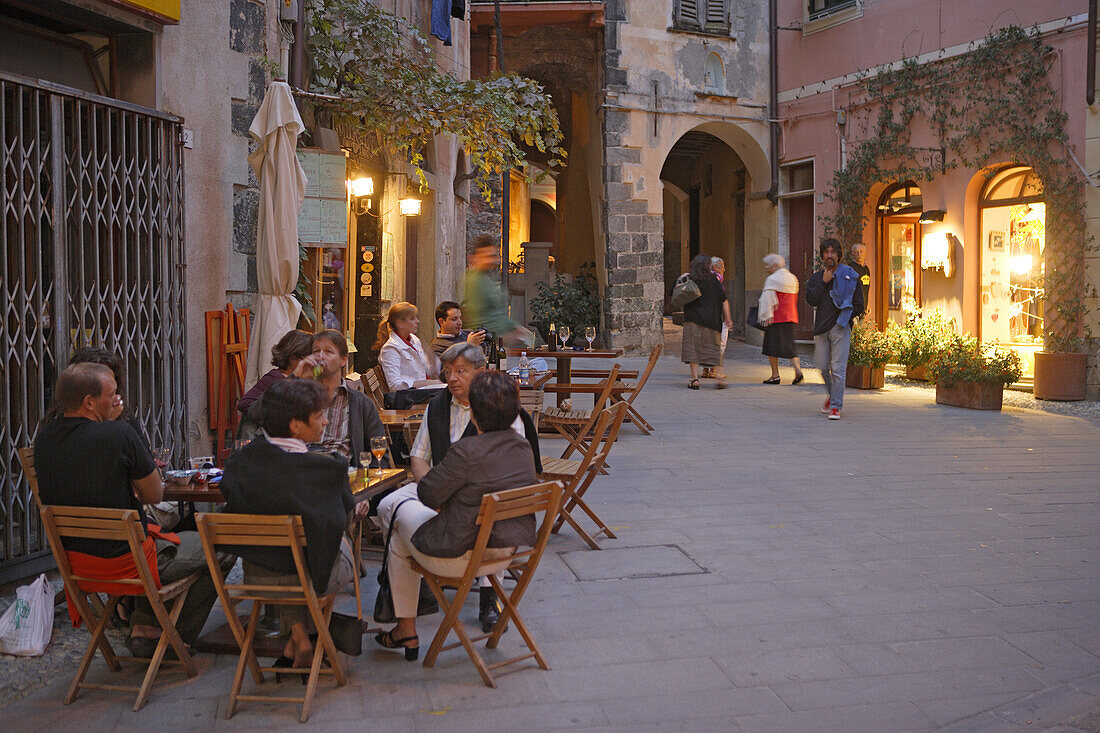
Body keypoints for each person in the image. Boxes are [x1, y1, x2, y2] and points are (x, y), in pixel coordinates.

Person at [34, 363, 234, 657]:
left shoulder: (44, 440)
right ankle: (169, 637)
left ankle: (144, 626)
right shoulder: (118, 434)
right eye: (112, 394)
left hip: (78, 566)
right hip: (129, 561)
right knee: (224, 545)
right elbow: (155, 494)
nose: (117, 401)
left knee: (159, 534)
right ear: (89, 402)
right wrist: (118, 430)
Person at [374, 371, 538, 660]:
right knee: (402, 521)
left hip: (466, 555)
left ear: (473, 414)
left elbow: (428, 495)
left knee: (398, 520)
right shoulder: (522, 447)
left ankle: (406, 629)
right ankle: (406, 627)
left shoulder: (466, 451)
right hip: (508, 551)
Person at [221, 379, 365, 672]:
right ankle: (317, 633)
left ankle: (299, 641)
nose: (326, 422)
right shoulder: (326, 467)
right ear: (296, 426)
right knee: (333, 546)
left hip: (255, 575)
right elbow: (343, 520)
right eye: (319, 416)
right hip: (312, 576)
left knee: (288, 554)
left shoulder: (239, 461)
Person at [408, 342, 543, 631]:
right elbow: (419, 457)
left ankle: (488, 594)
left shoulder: (503, 414)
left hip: (483, 503)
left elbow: (507, 476)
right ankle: (415, 593)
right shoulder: (437, 406)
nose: (452, 378)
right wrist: (434, 491)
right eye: (447, 372)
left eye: (460, 371)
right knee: (391, 507)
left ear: (480, 372)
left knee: (490, 514)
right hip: (439, 490)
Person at [292, 329, 386, 467]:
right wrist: (296, 377)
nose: (320, 357)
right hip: (302, 472)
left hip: (343, 476)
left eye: (328, 352)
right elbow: (258, 413)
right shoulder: (298, 395)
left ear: (343, 360)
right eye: (316, 351)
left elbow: (380, 457)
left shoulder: (360, 403)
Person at [804, 238, 866, 420]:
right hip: (821, 329)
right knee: (822, 366)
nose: (830, 255)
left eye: (833, 252)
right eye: (826, 252)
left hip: (841, 328)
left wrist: (845, 318)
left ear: (839, 255)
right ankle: (833, 396)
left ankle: (835, 407)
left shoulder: (850, 276)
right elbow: (811, 300)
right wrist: (824, 282)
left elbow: (859, 305)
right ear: (822, 255)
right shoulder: (817, 277)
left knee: (838, 369)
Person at [462, 235, 532, 346]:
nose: (491, 260)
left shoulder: (487, 279)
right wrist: (509, 337)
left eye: (493, 256)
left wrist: (516, 327)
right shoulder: (474, 282)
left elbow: (497, 313)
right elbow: (477, 322)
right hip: (488, 347)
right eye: (487, 256)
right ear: (475, 258)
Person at [681, 253, 733, 390]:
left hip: (693, 319)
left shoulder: (690, 279)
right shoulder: (714, 280)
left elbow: (678, 295)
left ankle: (695, 379)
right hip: (712, 320)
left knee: (693, 349)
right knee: (714, 348)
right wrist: (727, 317)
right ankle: (718, 377)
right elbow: (724, 299)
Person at [237, 329, 312, 416]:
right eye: (307, 360)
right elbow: (244, 404)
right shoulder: (274, 378)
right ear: (292, 358)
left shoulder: (300, 380)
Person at [758, 254, 805, 385]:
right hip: (791, 316)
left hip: (775, 317)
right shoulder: (793, 278)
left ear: (774, 266)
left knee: (771, 347)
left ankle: (775, 375)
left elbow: (767, 301)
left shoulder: (772, 279)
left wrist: (763, 316)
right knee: (790, 346)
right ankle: (797, 370)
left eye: (768, 266)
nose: (766, 268)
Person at [375, 302, 441, 391]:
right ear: (400, 323)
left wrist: (432, 361)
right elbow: (395, 386)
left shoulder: (414, 340)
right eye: (412, 319)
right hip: (408, 398)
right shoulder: (391, 348)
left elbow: (426, 371)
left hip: (422, 392)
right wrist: (428, 383)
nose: (418, 321)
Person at [702, 257, 729, 380]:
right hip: (715, 316)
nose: (724, 269)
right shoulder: (716, 280)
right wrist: (727, 317)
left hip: (706, 315)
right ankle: (714, 370)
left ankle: (707, 369)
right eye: (722, 266)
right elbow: (721, 299)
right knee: (719, 343)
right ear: (714, 267)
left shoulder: (705, 279)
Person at [848, 243, 872, 315]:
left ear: (865, 253)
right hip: (854, 308)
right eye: (856, 252)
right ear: (853, 254)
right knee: (855, 326)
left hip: (863, 307)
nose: (859, 254)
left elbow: (867, 287)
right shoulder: (851, 268)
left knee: (861, 326)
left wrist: (868, 304)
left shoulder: (866, 269)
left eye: (861, 252)